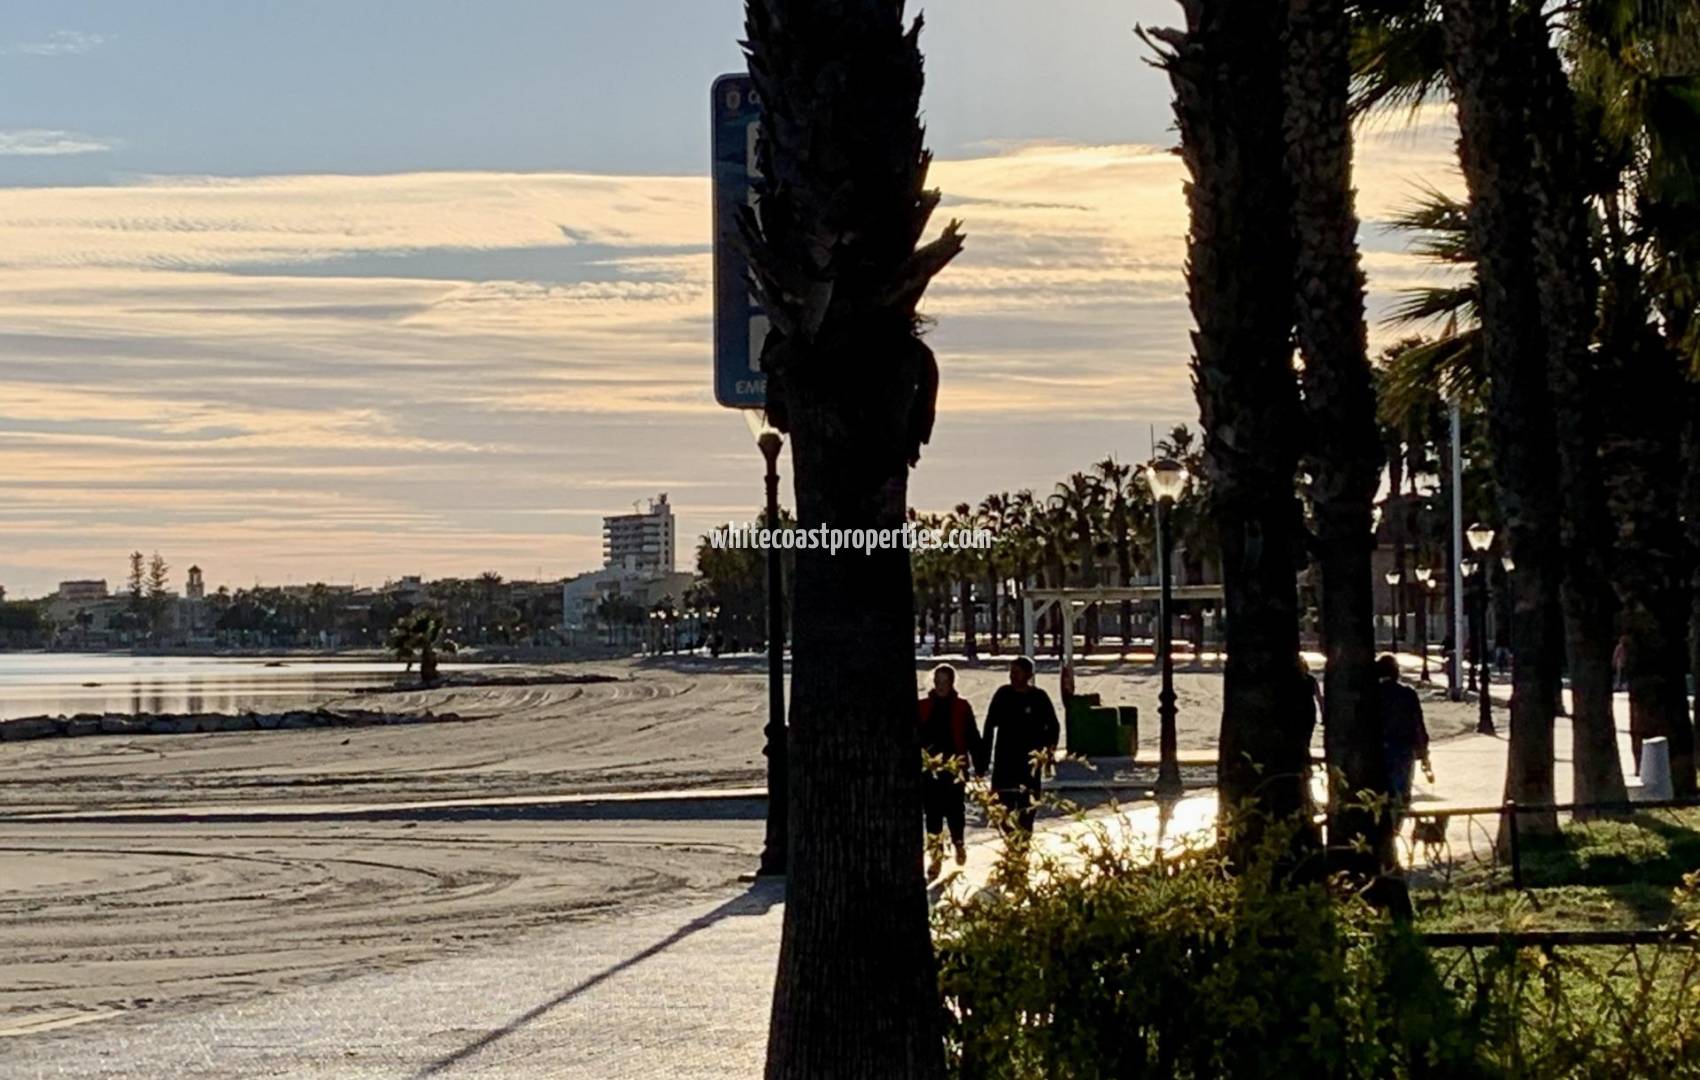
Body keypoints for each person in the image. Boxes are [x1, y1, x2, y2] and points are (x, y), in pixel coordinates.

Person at [981, 656, 1060, 839]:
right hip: (1005, 762)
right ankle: (1010, 841)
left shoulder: (1039, 698)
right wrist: (983, 758)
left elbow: (1053, 726)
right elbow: (989, 725)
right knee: (1002, 808)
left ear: (1028, 674)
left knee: (1027, 809)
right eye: (1011, 672)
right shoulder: (1003, 695)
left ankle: (1023, 843)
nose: (1012, 676)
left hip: (1029, 765)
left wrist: (1048, 753)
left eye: (1017, 672)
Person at [917, 663, 983, 879]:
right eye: (938, 682)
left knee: (956, 811)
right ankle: (936, 857)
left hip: (955, 767)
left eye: (945, 682)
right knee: (933, 815)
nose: (941, 686)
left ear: (952, 683)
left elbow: (973, 737)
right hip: (930, 769)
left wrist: (980, 764)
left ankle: (958, 843)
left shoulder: (962, 707)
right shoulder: (922, 707)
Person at [1378, 653, 1431, 826]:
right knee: (1402, 792)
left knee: (1383, 792)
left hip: (1379, 749)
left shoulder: (1373, 694)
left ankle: (1385, 827)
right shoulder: (1407, 694)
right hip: (1403, 749)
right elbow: (1418, 724)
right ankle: (1395, 827)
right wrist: (1423, 753)